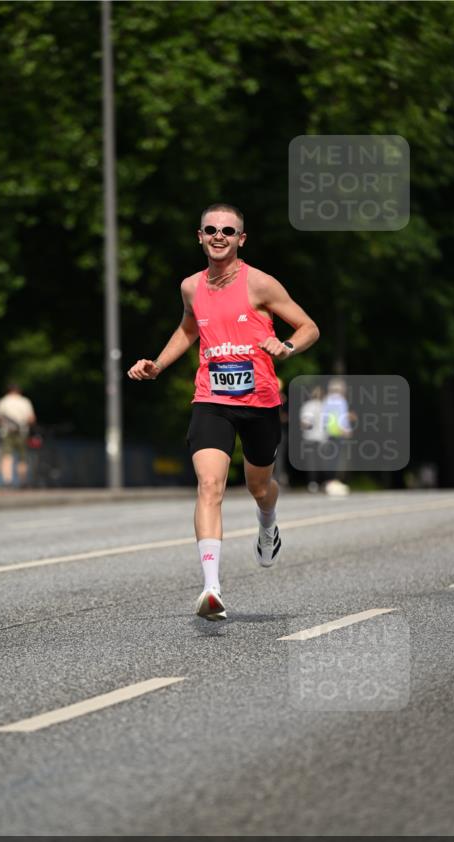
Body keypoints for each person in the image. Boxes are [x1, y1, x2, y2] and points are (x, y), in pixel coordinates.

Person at [128, 203, 319, 620]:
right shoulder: (190, 287)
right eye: (211, 229)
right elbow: (188, 329)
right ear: (199, 236)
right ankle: (211, 589)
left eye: (228, 231)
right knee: (209, 485)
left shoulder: (261, 284)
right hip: (211, 400)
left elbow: (308, 327)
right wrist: (157, 365)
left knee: (257, 487)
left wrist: (286, 347)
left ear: (240, 239)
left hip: (260, 402)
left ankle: (268, 521)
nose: (219, 236)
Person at [0, 383, 37, 487]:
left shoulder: (2, 402)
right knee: (22, 457)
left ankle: (7, 480)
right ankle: (22, 480)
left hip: (6, 431)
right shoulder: (25, 402)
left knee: (6, 455)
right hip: (22, 431)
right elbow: (31, 419)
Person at [321, 378, 352, 496]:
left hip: (329, 432)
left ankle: (329, 481)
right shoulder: (341, 400)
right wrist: (346, 429)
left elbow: (324, 417)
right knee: (337, 457)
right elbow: (343, 416)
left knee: (330, 457)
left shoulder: (327, 400)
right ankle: (333, 481)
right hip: (338, 431)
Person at [299, 385, 326, 493]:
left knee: (312, 462)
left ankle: (313, 483)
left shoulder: (308, 406)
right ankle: (322, 483)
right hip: (322, 438)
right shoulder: (324, 406)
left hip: (310, 437)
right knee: (321, 461)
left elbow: (306, 422)